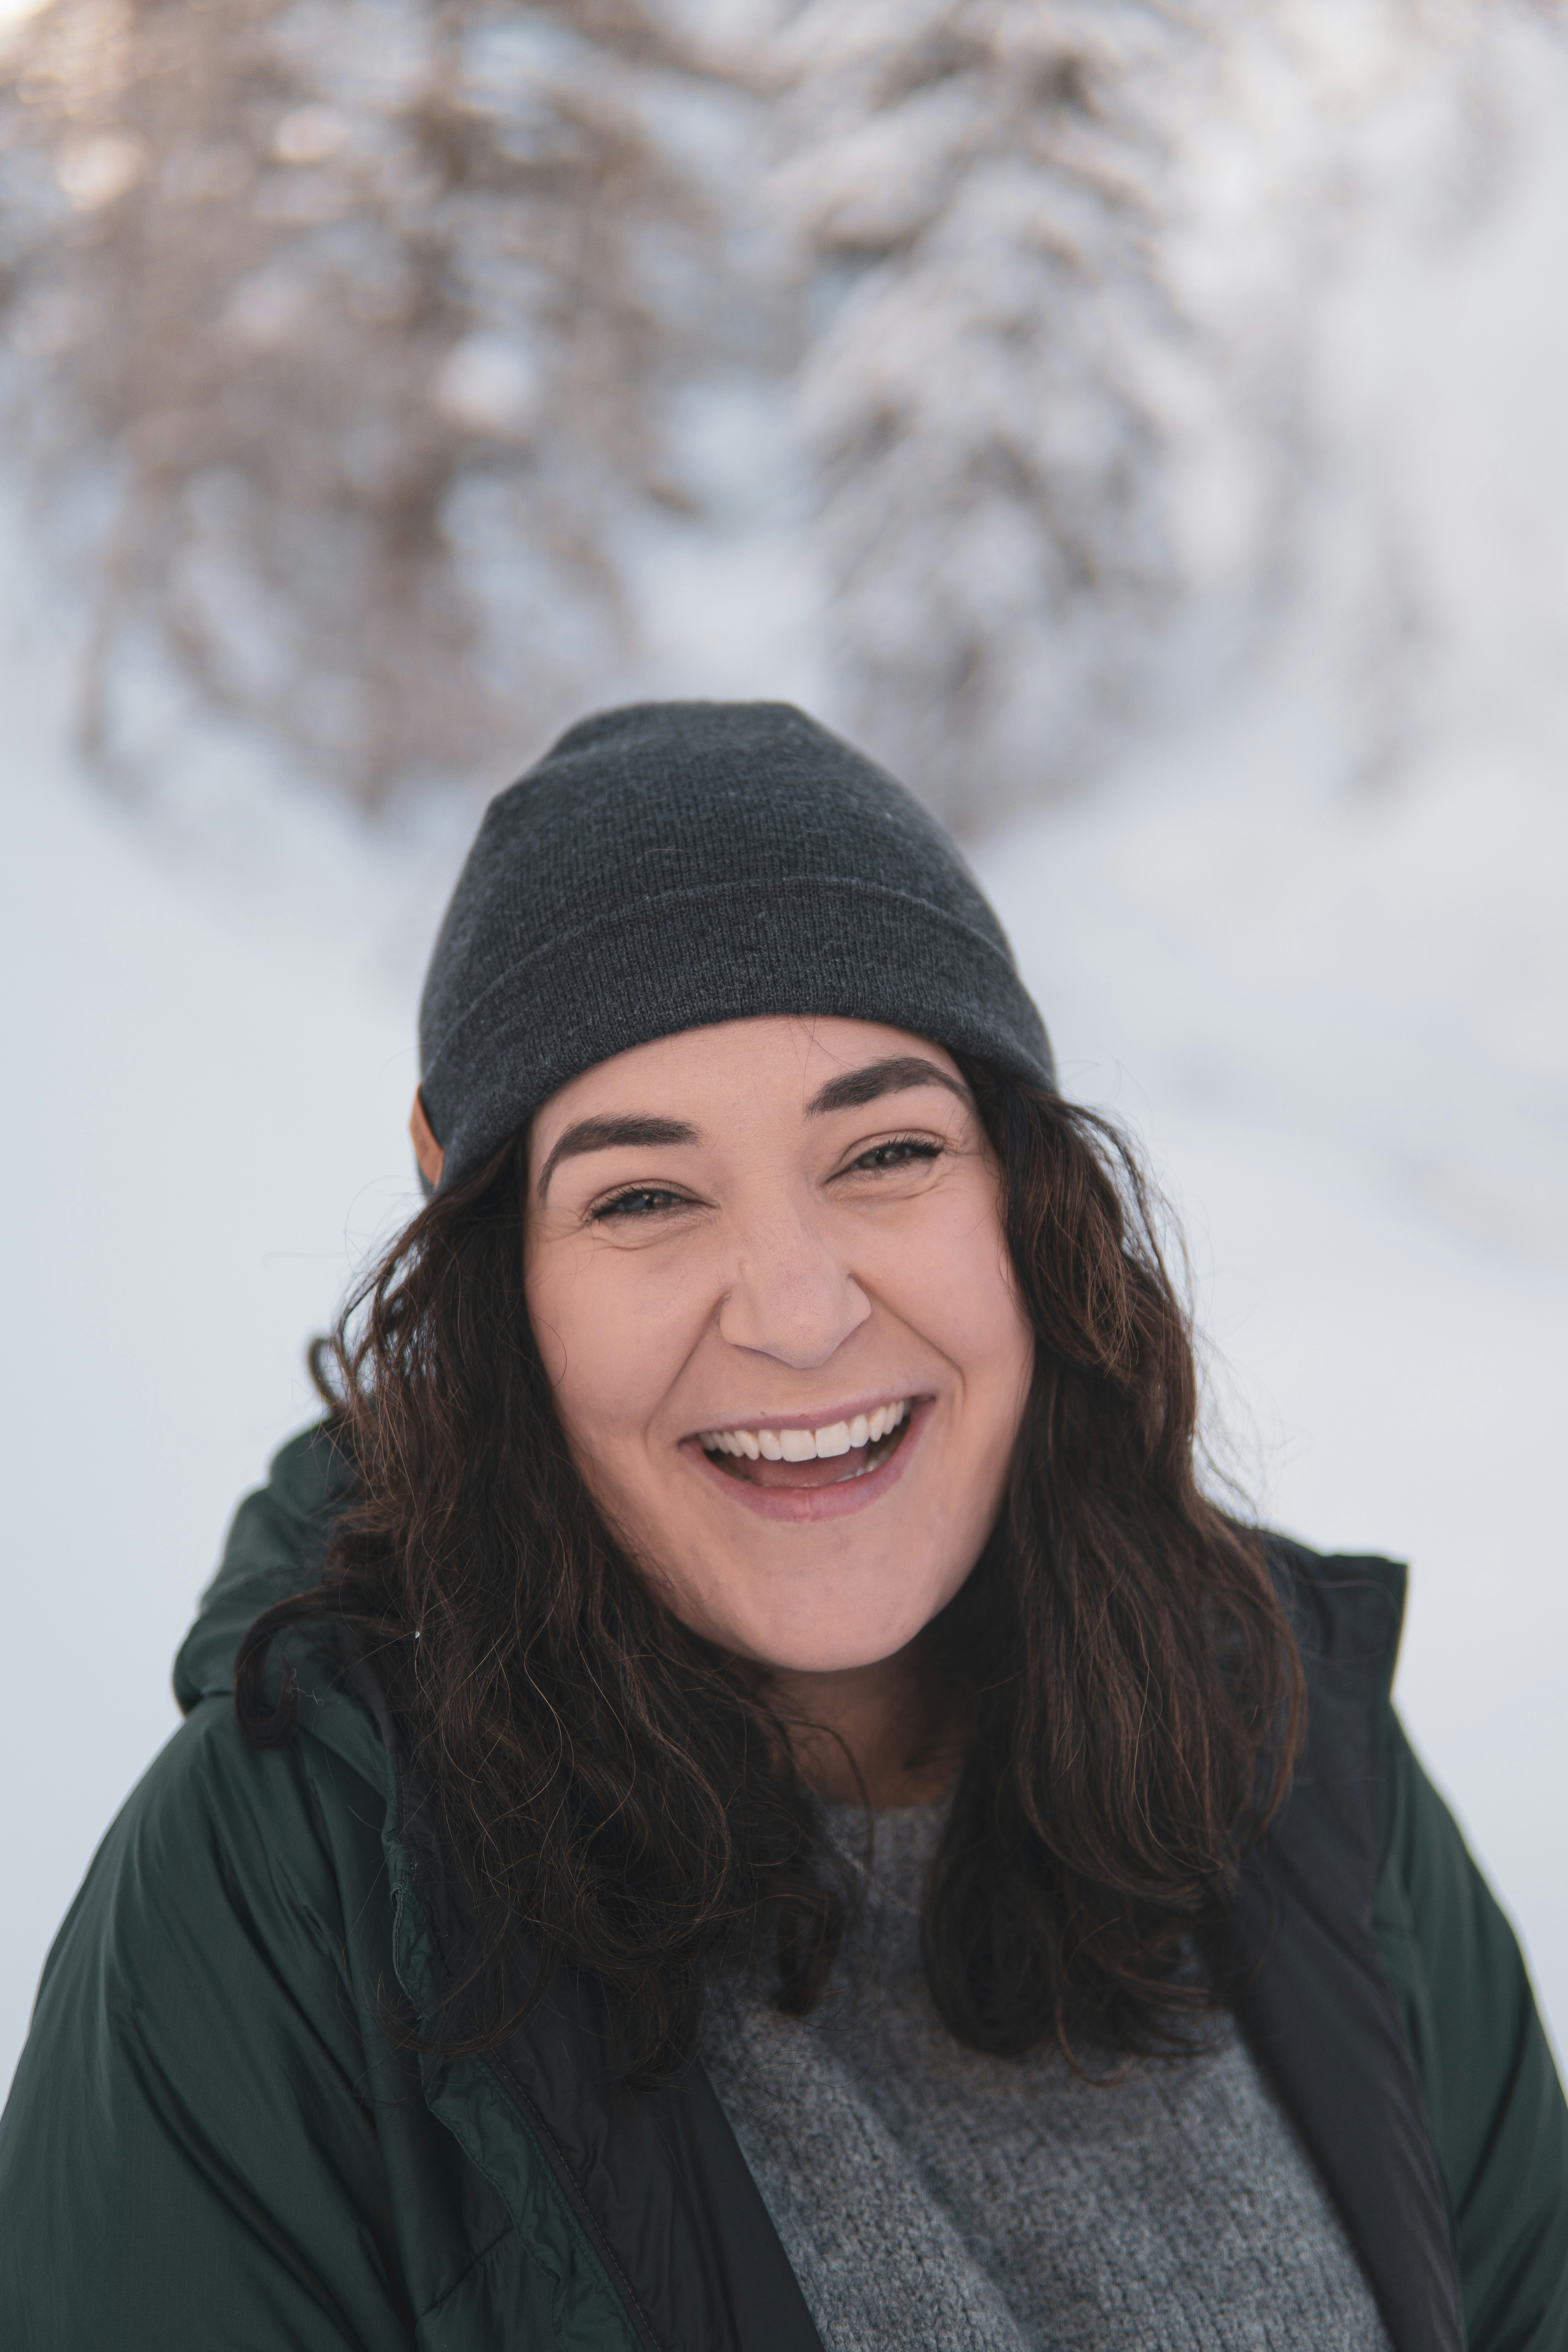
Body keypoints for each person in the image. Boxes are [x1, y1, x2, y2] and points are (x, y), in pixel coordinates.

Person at [1, 701, 1563, 2352]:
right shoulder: (296, 1884)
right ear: (493, 1267)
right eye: (643, 1198)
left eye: (888, 1151)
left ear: (1024, 1199)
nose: (802, 1314)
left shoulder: (1288, 1749)